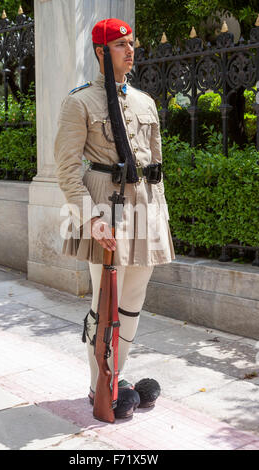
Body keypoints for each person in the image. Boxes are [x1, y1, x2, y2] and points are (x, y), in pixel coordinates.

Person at [54, 18, 176, 419]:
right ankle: (98, 385)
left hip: (144, 206)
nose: (130, 50)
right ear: (100, 52)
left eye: (131, 44)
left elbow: (156, 164)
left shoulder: (145, 102)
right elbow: (67, 170)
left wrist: (159, 217)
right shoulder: (80, 102)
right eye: (121, 45)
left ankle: (116, 374)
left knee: (134, 301)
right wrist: (91, 218)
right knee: (105, 302)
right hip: (105, 204)